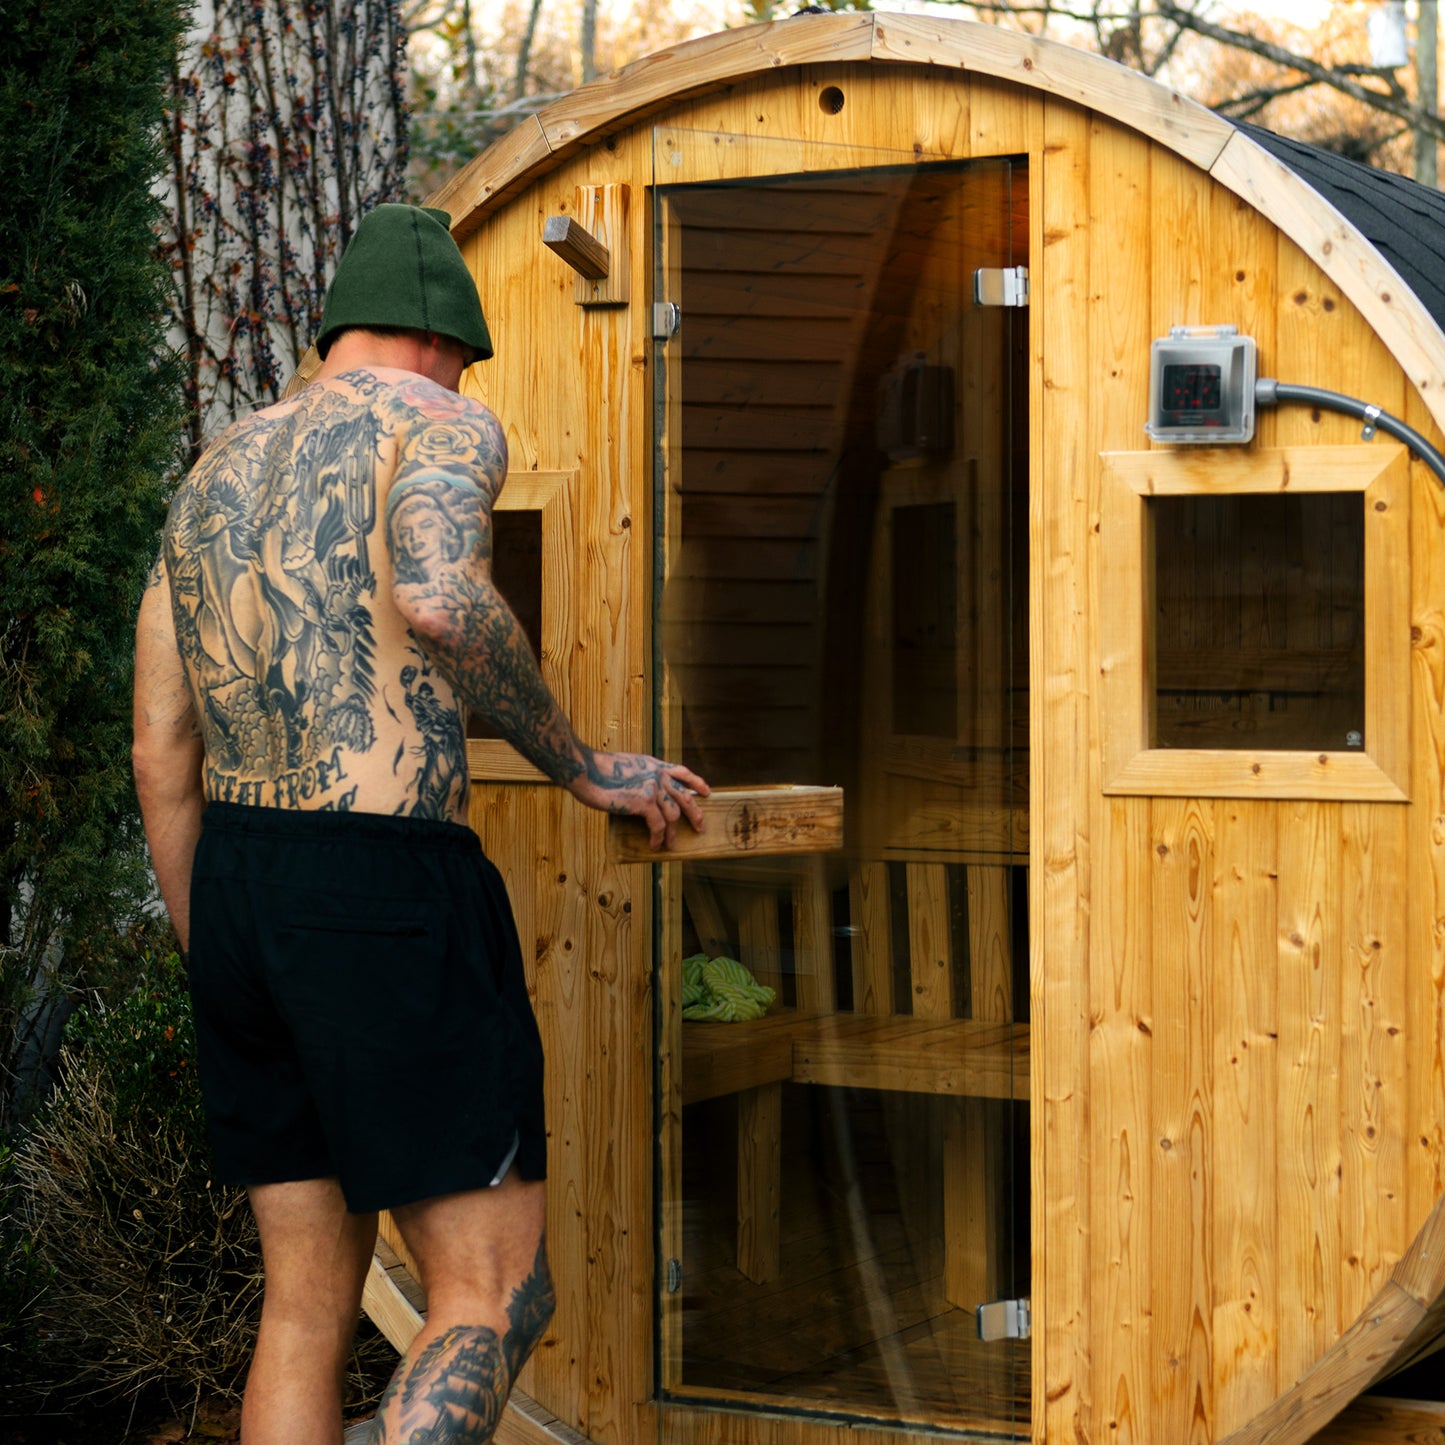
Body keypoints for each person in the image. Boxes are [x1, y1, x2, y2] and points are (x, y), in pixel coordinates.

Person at [132, 203, 710, 1445]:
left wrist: (216, 949)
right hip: (384, 884)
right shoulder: (440, 419)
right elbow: (440, 598)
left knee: (301, 1307)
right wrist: (584, 766)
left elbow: (159, 742)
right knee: (492, 1291)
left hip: (234, 885)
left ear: (341, 328)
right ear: (451, 342)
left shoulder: (216, 465)